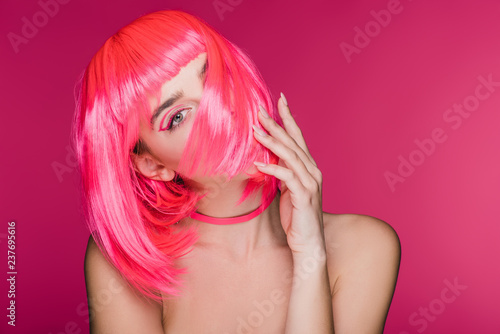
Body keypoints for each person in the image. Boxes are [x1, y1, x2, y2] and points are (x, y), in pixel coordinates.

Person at [75, 9, 401, 334]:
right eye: (177, 116)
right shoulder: (128, 263)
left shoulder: (364, 248)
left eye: (218, 77)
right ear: (154, 165)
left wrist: (310, 257)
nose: (223, 109)